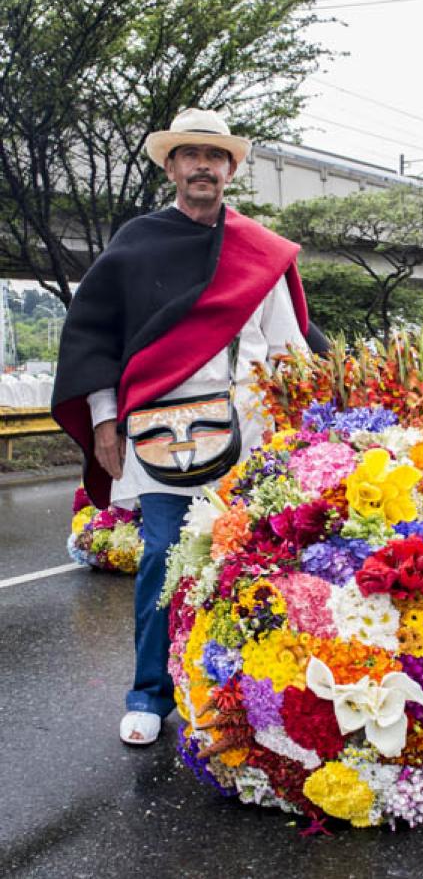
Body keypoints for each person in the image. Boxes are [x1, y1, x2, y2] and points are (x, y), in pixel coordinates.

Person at [52, 109, 316, 746]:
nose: (203, 165)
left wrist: (303, 433)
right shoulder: (135, 243)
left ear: (230, 169)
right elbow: (96, 342)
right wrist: (105, 423)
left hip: (250, 438)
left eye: (215, 155)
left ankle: (239, 692)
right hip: (160, 434)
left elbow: (291, 351)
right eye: (190, 154)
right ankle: (149, 693)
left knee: (251, 566)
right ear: (170, 166)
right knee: (163, 562)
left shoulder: (259, 250)